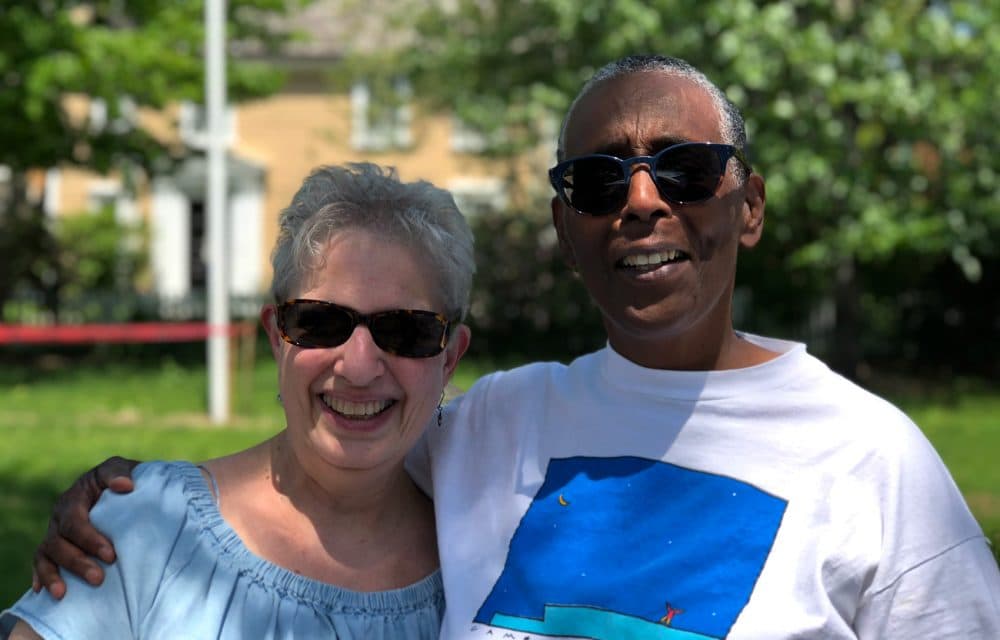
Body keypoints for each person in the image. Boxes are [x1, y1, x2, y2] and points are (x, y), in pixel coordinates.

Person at [19, 55, 1000, 639]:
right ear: (565, 225)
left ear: (747, 207)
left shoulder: (876, 460)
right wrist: (141, 499)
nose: (643, 199)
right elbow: (335, 442)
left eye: (686, 168)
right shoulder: (495, 420)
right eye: (598, 179)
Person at [1, 162, 473, 639]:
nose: (358, 365)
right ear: (276, 336)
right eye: (321, 322)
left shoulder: (488, 562)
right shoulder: (144, 530)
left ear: (451, 357)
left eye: (406, 331)